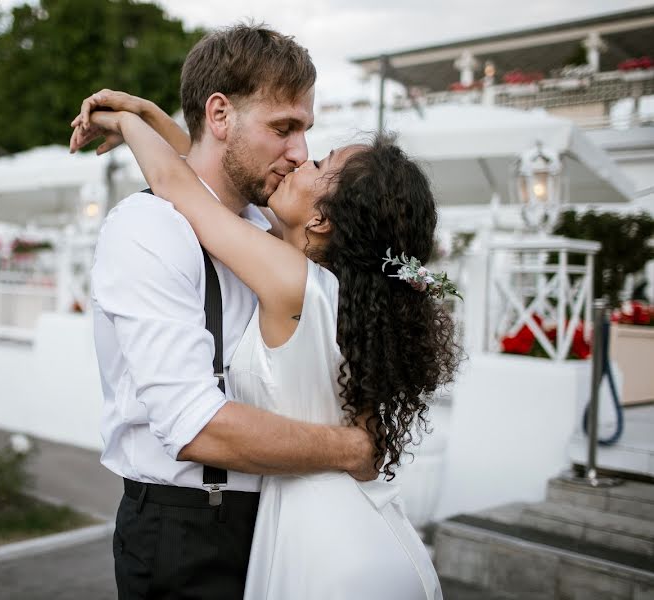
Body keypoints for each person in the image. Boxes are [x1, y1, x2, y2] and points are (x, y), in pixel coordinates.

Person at [71, 95, 461, 600]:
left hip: (325, 547)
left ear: (321, 220)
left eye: (319, 164)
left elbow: (178, 186)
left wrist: (125, 121)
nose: (300, 158)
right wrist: (158, 121)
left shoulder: (290, 278)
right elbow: (213, 177)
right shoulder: (346, 296)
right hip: (360, 523)